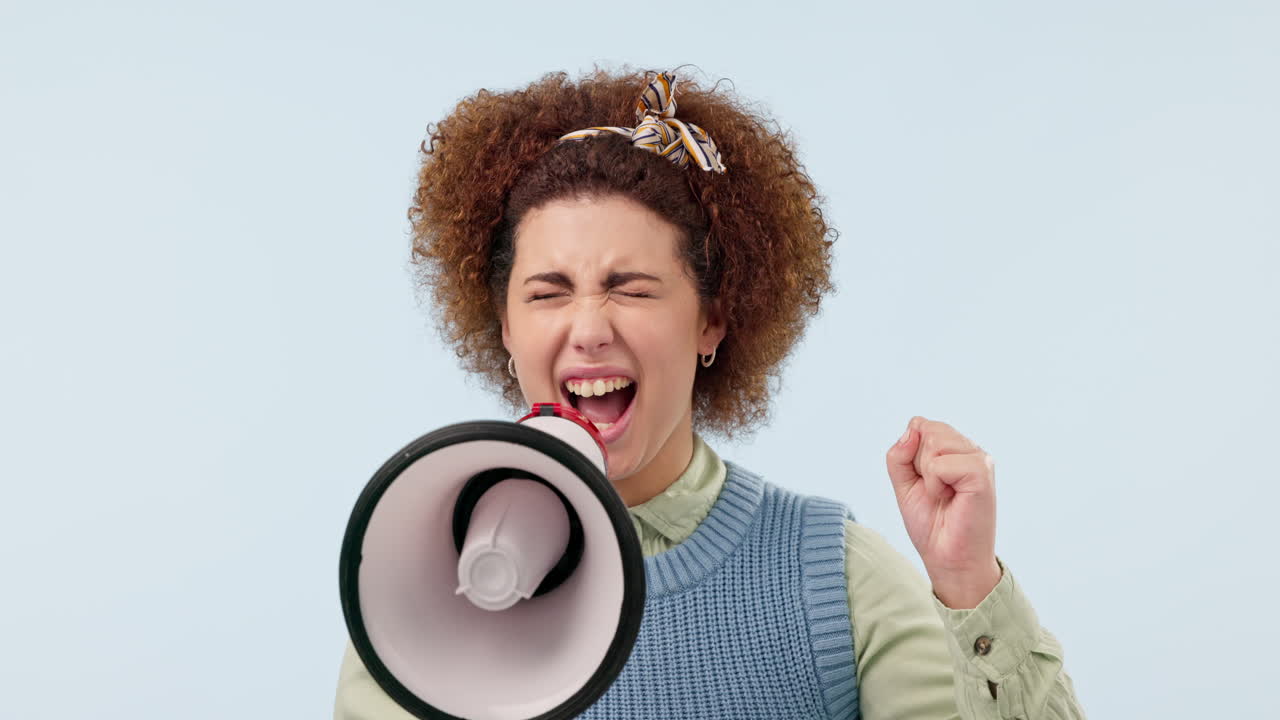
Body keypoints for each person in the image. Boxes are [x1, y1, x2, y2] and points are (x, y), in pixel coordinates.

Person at [333, 68, 1087, 719]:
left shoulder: (840, 580)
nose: (589, 328)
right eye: (547, 293)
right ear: (503, 325)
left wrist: (966, 589)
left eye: (630, 288)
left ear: (712, 319)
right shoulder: (412, 595)